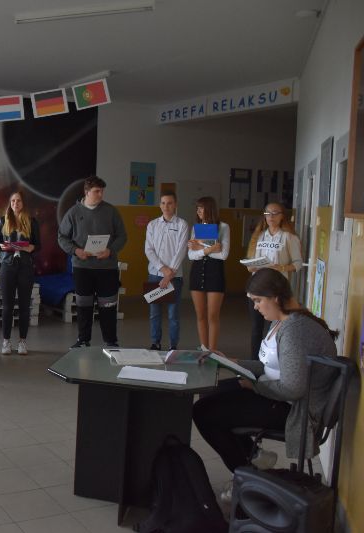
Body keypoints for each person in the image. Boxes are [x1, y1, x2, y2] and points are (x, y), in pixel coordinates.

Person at [192, 268, 337, 503]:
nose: (256, 307)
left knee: (205, 413)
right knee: (210, 394)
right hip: (279, 394)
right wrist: (231, 361)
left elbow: (293, 389)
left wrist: (255, 387)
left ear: (275, 298)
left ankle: (245, 475)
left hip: (296, 410)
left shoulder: (294, 331)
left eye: (258, 300)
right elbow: (268, 366)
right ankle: (256, 457)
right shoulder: (281, 321)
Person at [58, 176, 127, 348]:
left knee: (108, 306)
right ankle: (83, 340)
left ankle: (111, 341)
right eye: (97, 191)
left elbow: (122, 236)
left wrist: (110, 250)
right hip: (82, 268)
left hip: (107, 268)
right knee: (83, 306)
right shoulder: (73, 213)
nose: (101, 194)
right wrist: (76, 251)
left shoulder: (111, 211)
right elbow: (62, 237)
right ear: (86, 192)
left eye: (102, 191)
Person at [245, 202, 302, 358]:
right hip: (257, 287)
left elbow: (298, 264)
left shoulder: (289, 237)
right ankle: (255, 361)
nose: (271, 216)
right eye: (268, 213)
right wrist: (251, 266)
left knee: (276, 326)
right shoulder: (259, 236)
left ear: (282, 216)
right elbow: (253, 260)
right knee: (256, 328)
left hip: (276, 289)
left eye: (275, 213)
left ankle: (275, 359)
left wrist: (281, 267)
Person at [0, 191, 40, 355]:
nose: (15, 203)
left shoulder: (32, 222)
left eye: (18, 201)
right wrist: (3, 246)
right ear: (10, 203)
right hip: (7, 265)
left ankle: (22, 342)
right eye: (13, 201)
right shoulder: (3, 221)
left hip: (25, 267)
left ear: (23, 203)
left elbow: (38, 245)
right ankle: (6, 342)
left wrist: (30, 247)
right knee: (7, 306)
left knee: (24, 306)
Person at [144, 192, 189, 351]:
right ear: (160, 205)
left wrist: (169, 274)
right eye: (163, 203)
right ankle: (155, 342)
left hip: (175, 277)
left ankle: (173, 346)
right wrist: (163, 269)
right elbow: (149, 250)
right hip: (154, 274)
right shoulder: (152, 225)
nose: (166, 206)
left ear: (175, 204)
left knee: (173, 314)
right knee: (154, 313)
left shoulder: (182, 224)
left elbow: (181, 251)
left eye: (169, 203)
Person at [187, 196, 229, 351]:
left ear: (209, 208)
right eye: (197, 208)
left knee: (212, 315)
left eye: (201, 208)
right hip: (197, 271)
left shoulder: (223, 227)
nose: (198, 211)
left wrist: (199, 248)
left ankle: (212, 351)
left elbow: (223, 255)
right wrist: (210, 249)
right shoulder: (196, 228)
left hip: (215, 272)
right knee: (200, 315)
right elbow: (191, 255)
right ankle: (204, 349)